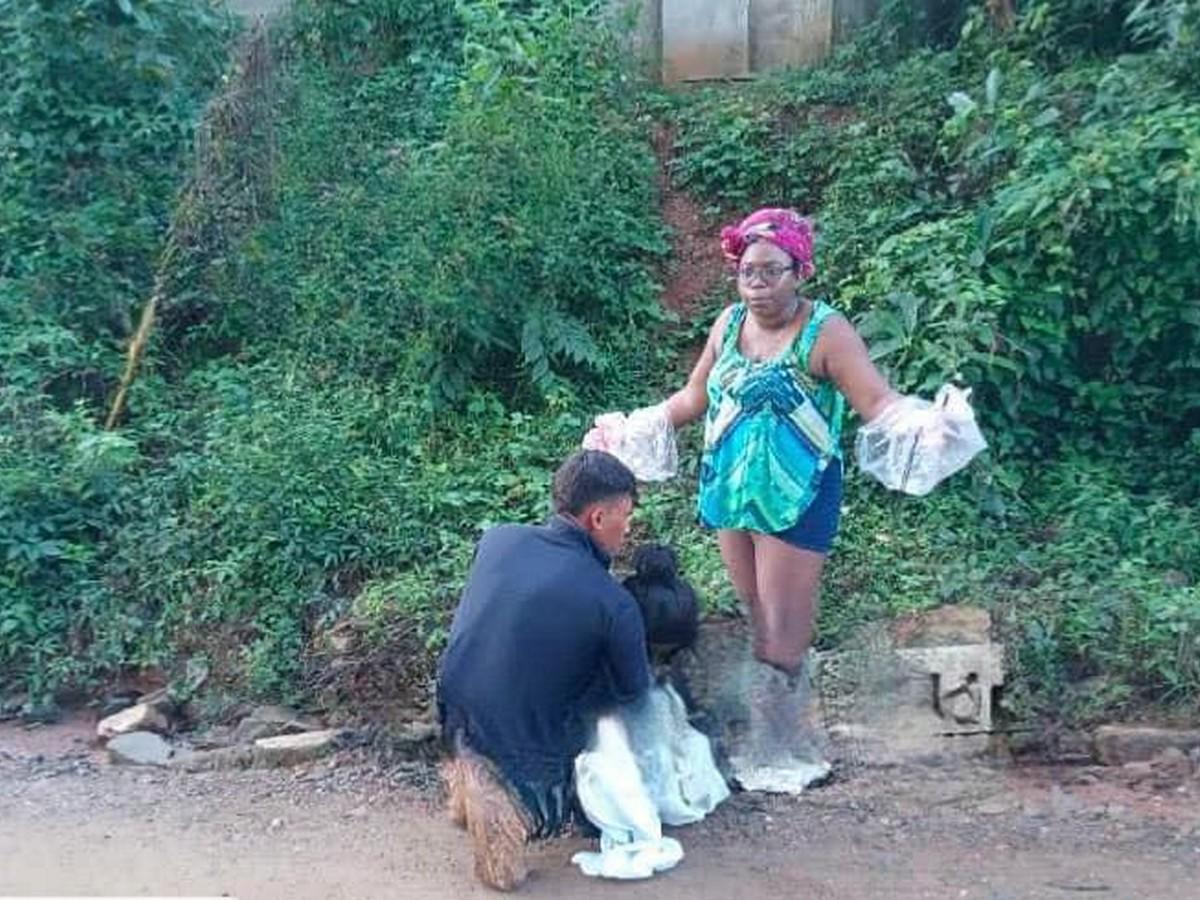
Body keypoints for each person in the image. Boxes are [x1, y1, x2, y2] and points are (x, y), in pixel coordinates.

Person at [638, 208, 900, 780]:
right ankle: (774, 738)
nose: (757, 284)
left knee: (785, 625)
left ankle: (780, 750)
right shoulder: (729, 324)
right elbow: (694, 397)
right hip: (734, 486)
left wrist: (918, 424)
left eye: (771, 271)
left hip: (798, 492)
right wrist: (640, 424)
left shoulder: (825, 331)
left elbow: (875, 402)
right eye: (747, 272)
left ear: (799, 270)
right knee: (758, 615)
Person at [437, 449, 652, 891]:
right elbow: (634, 691)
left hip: (453, 699)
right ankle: (511, 807)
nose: (628, 529)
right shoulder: (612, 602)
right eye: (624, 516)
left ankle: (467, 779)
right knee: (608, 703)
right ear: (596, 518)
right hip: (522, 732)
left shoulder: (498, 538)